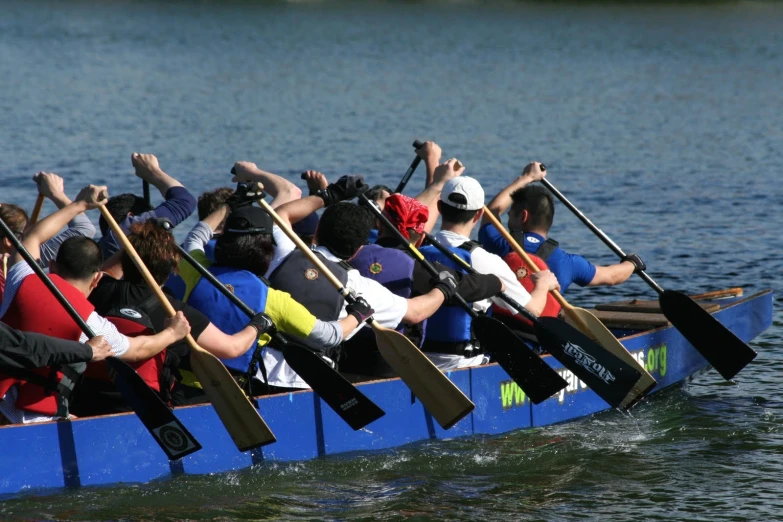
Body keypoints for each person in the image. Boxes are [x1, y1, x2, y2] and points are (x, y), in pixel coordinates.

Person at [0, 185, 190, 424]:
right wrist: (174, 333)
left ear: (53, 267)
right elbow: (140, 349)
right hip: (31, 418)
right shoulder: (90, 323)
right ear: (97, 278)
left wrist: (79, 204)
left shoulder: (22, 277)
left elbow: (32, 237)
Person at [231, 170, 459, 367]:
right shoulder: (359, 287)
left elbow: (281, 214)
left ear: (317, 231)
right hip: (311, 375)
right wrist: (444, 288)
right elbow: (416, 312)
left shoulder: (285, 252)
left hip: (254, 360)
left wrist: (331, 194)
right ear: (358, 249)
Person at [174, 203, 365, 393]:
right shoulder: (273, 300)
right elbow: (328, 335)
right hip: (231, 393)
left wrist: (226, 206)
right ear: (267, 251)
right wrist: (357, 315)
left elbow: (196, 236)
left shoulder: (197, 270)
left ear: (223, 240)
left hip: (181, 384)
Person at [344, 193, 504, 377]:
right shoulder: (417, 268)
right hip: (394, 365)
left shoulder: (351, 256)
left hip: (348, 358)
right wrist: (497, 282)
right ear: (420, 238)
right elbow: (467, 285)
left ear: (379, 227)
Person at [418, 175, 560, 369]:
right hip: (465, 362)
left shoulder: (416, 252)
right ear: (478, 215)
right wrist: (543, 285)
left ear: (440, 208)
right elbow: (532, 311)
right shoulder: (487, 260)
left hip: (418, 358)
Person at [478, 162, 646, 293]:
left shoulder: (498, 244)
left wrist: (527, 177)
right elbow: (612, 276)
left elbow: (491, 212)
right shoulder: (568, 262)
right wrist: (632, 263)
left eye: (511, 213)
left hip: (497, 328)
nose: (507, 216)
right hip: (539, 332)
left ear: (523, 216)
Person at [0, 172, 97, 300]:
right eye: (26, 233)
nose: (29, 237)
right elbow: (85, 229)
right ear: (8, 241)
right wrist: (57, 194)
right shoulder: (22, 260)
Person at [98, 153, 197, 258]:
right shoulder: (121, 235)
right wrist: (152, 171)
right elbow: (185, 201)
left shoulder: (97, 251)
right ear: (130, 218)